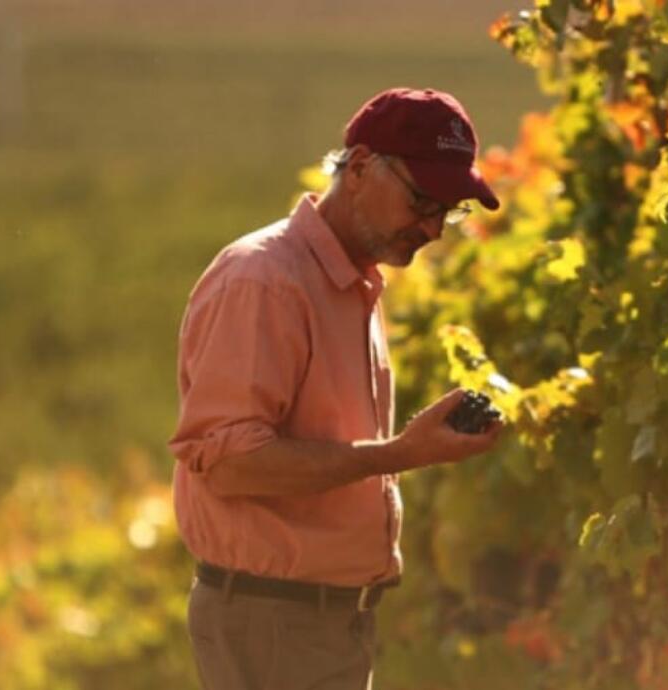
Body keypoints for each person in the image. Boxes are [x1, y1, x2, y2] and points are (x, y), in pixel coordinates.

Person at [167, 87, 505, 690]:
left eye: (449, 210)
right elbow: (231, 466)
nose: (433, 228)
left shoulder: (352, 282)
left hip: (320, 624)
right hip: (273, 626)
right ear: (359, 167)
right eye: (423, 200)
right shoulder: (266, 281)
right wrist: (402, 453)